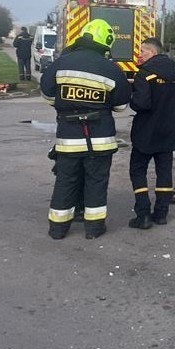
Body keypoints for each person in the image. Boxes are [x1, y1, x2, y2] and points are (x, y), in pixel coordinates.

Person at [40, 19, 131, 239]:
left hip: (68, 139)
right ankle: (94, 229)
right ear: (106, 42)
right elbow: (120, 106)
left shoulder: (62, 63)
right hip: (100, 139)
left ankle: (58, 229)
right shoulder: (112, 69)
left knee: (65, 181)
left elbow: (47, 93)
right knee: (96, 182)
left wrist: (65, 105)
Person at [128, 37, 175, 229]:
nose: (140, 55)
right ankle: (161, 214)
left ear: (153, 52)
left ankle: (142, 215)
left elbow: (141, 103)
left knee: (137, 170)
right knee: (164, 172)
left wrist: (132, 97)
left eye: (143, 51)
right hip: (169, 130)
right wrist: (170, 103)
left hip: (146, 132)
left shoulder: (145, 74)